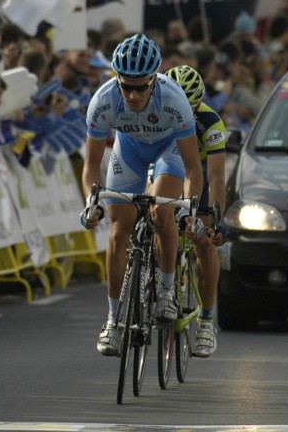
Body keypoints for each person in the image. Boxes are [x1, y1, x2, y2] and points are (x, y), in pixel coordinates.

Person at [79, 33, 203, 357]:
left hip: (168, 150)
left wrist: (188, 209)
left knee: (162, 212)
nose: (133, 95)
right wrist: (92, 203)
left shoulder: (174, 102)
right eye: (126, 86)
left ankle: (165, 291)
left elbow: (192, 168)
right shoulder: (103, 101)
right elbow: (91, 165)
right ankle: (113, 321)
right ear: (117, 81)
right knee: (119, 230)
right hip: (129, 150)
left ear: (154, 81)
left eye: (141, 87)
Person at [164, 65, 226, 357]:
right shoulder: (159, 109)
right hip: (168, 167)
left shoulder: (211, 122)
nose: (185, 115)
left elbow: (215, 176)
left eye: (191, 108)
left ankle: (206, 319)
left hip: (197, 173)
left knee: (203, 242)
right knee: (155, 217)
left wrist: (215, 221)